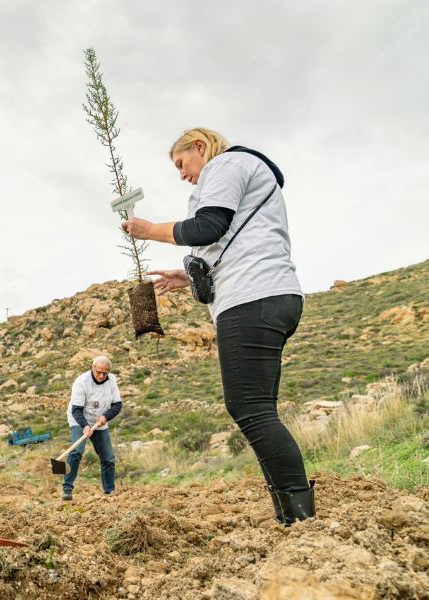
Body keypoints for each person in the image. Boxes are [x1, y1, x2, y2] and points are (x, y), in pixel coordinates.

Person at [121, 127, 312, 524]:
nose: (182, 174)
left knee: (249, 407)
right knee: (257, 408)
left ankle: (300, 519)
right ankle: (291, 515)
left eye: (181, 163)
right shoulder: (244, 171)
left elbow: (208, 226)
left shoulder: (225, 164)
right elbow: (229, 241)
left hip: (252, 297)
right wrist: (186, 275)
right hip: (268, 295)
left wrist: (150, 230)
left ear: (200, 146)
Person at [62, 356, 121, 501]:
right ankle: (67, 488)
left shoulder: (112, 380)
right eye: (99, 372)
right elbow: (76, 410)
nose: (101, 376)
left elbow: (117, 405)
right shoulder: (81, 382)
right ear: (92, 368)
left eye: (105, 373)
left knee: (108, 458)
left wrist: (105, 417)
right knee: (76, 451)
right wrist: (85, 426)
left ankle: (109, 491)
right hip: (79, 419)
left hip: (100, 421)